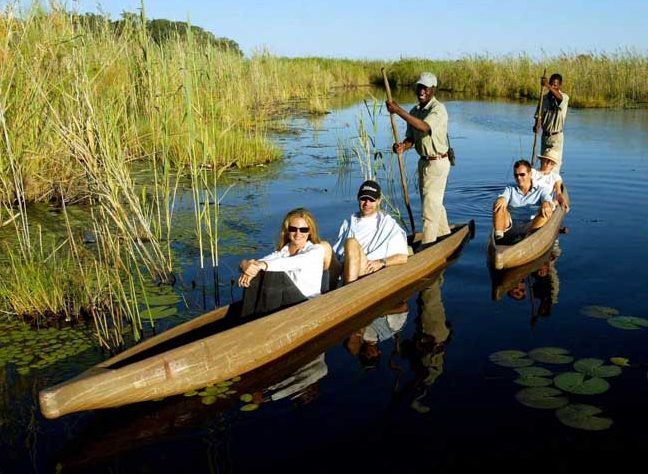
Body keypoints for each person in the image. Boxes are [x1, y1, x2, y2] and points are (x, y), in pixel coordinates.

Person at [386, 72, 451, 245]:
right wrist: (403, 146)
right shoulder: (415, 111)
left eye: (426, 88)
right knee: (432, 202)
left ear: (433, 90)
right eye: (419, 87)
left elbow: (423, 127)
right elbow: (412, 139)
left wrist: (398, 110)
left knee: (429, 209)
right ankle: (445, 235)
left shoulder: (438, 109)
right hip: (424, 162)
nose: (421, 91)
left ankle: (428, 246)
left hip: (438, 162)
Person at [238, 207, 330, 318]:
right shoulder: (282, 252)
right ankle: (245, 320)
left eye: (303, 230)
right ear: (287, 230)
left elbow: (295, 262)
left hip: (307, 303)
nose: (298, 233)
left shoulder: (316, 250)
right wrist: (245, 266)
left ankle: (264, 323)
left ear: (310, 231)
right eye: (293, 229)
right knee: (256, 272)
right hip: (287, 301)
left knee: (274, 273)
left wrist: (263, 265)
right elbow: (257, 263)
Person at [330, 180, 408, 285]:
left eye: (371, 200)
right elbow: (336, 253)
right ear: (358, 198)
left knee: (351, 243)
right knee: (324, 247)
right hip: (344, 268)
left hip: (366, 271)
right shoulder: (348, 222)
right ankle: (323, 293)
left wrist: (381, 262)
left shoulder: (387, 224)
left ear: (379, 201)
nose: (367, 203)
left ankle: (349, 291)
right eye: (364, 199)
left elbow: (403, 257)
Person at [493, 159, 554, 243]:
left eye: (522, 174)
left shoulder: (541, 190)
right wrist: (502, 198)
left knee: (546, 211)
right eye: (516, 175)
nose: (518, 178)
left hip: (530, 226)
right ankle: (499, 238)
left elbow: (549, 200)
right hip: (509, 226)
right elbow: (503, 196)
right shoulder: (510, 189)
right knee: (498, 203)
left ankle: (527, 239)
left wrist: (547, 204)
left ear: (530, 174)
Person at [533, 73, 569, 172]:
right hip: (545, 137)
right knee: (544, 166)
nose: (553, 86)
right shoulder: (543, 99)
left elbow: (559, 98)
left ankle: (555, 185)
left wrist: (547, 86)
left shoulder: (564, 98)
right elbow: (539, 116)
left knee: (553, 167)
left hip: (556, 138)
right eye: (551, 84)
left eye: (555, 85)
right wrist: (537, 126)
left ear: (559, 86)